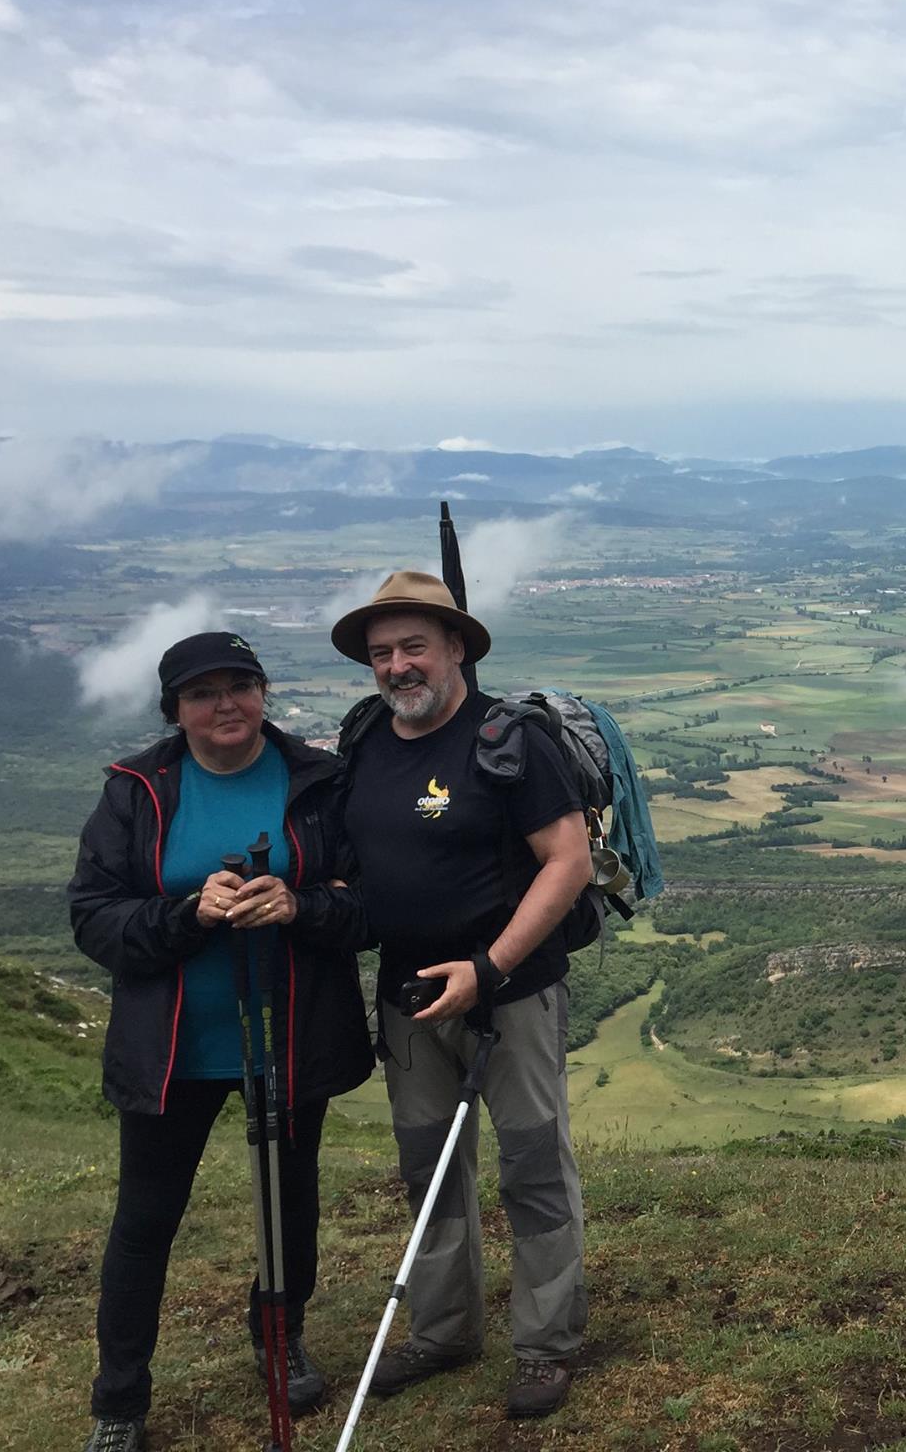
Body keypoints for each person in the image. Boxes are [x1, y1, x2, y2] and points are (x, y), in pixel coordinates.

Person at [67, 632, 370, 1452]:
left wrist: (301, 905)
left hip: (288, 1038)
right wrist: (185, 915)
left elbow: (371, 902)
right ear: (176, 710)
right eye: (203, 693)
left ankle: (280, 1336)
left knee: (289, 1201)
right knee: (146, 1219)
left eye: (241, 685)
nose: (225, 704)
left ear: (264, 693)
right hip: (174, 1051)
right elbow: (93, 918)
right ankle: (119, 1402)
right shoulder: (136, 793)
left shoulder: (320, 780)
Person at [330, 571, 594, 1421]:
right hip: (409, 996)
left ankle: (547, 1345)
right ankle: (443, 1332)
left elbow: (568, 861)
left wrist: (490, 967)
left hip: (509, 994)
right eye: (382, 653)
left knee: (533, 1164)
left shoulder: (510, 742)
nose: (397, 666)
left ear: (455, 649)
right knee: (428, 1168)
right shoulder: (365, 738)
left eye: (414, 646)